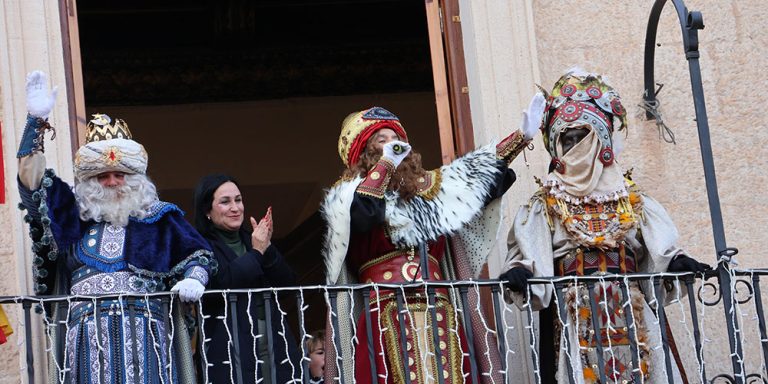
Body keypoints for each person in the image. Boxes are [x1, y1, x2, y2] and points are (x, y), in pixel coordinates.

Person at [500, 68, 711, 383]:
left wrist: (674, 261)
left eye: (581, 137)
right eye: (566, 139)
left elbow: (657, 245)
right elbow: (530, 251)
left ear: (599, 139)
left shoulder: (629, 197)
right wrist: (521, 272)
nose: (574, 146)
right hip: (575, 314)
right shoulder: (545, 203)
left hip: (630, 308)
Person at [16, 71, 214, 383]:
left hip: (148, 343)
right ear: (89, 181)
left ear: (134, 179)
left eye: (119, 174)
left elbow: (198, 255)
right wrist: (36, 123)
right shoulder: (73, 218)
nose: (111, 182)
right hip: (86, 345)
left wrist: (195, 278)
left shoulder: (160, 217)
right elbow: (33, 188)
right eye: (102, 176)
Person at [321, 106, 538, 384]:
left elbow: (473, 179)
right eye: (381, 140)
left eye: (396, 138)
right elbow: (364, 215)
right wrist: (386, 165)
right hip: (382, 313)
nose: (392, 144)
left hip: (440, 308)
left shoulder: (430, 191)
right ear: (364, 153)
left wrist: (521, 137)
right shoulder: (346, 195)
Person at [192, 174, 300, 384]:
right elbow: (221, 285)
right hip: (229, 344)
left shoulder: (252, 239)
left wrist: (267, 248)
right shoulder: (199, 246)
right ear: (207, 211)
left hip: (273, 338)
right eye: (225, 202)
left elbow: (287, 286)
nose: (235, 208)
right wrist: (256, 253)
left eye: (238, 200)